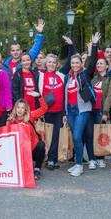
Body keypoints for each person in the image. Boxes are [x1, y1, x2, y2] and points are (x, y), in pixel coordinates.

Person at [64, 32, 100, 177]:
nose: (74, 65)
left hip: (82, 110)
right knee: (75, 137)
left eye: (77, 63)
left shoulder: (85, 74)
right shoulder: (68, 76)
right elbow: (65, 96)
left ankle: (79, 165)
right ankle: (78, 162)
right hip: (71, 111)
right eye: (72, 63)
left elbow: (93, 61)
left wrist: (95, 45)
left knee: (78, 136)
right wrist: (65, 113)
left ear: (81, 64)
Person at [39, 35, 75, 170]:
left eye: (54, 63)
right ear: (45, 63)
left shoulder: (61, 75)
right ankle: (43, 157)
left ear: (56, 64)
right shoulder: (40, 75)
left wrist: (71, 45)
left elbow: (71, 59)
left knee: (55, 136)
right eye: (49, 62)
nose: (51, 65)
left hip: (59, 111)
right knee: (45, 136)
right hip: (45, 111)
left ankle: (52, 160)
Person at [7, 97, 48, 180]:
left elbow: (44, 109)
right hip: (20, 151)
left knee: (41, 145)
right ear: (15, 108)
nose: (20, 110)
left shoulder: (30, 115)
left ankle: (37, 168)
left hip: (32, 149)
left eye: (22, 108)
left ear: (25, 110)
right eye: (18, 107)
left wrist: (39, 97)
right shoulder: (11, 121)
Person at [87, 57, 111, 168]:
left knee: (101, 134)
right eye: (97, 63)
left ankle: (101, 157)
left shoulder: (110, 79)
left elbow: (110, 97)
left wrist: (105, 112)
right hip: (91, 110)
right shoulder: (93, 78)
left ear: (107, 66)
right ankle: (92, 158)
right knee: (91, 134)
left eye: (101, 63)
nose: (98, 65)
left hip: (101, 111)